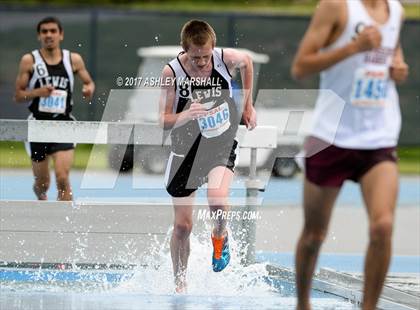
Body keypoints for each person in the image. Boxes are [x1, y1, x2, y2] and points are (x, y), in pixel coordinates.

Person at [291, 0, 408, 309]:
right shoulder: (335, 7)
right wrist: (352, 48)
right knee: (314, 235)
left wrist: (398, 67)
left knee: (382, 226)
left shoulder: (396, 10)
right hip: (331, 136)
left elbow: (393, 53)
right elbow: (300, 66)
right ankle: (303, 304)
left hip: (378, 136)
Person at [159, 19, 256, 293]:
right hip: (185, 151)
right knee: (182, 227)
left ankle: (219, 236)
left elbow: (248, 62)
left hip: (219, 145)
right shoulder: (171, 72)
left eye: (206, 57)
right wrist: (187, 114)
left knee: (217, 200)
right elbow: (164, 120)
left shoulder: (226, 60)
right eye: (195, 58)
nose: (202, 63)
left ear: (213, 48)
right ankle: (180, 283)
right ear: (184, 51)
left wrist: (248, 105)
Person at [14, 16, 95, 201]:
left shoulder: (73, 59)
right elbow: (18, 95)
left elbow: (89, 82)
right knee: (43, 183)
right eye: (44, 31)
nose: (49, 35)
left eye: (53, 31)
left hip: (63, 124)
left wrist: (88, 89)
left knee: (63, 177)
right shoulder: (30, 61)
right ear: (39, 36)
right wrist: (37, 93)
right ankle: (40, 195)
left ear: (61, 35)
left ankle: (64, 222)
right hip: (38, 126)